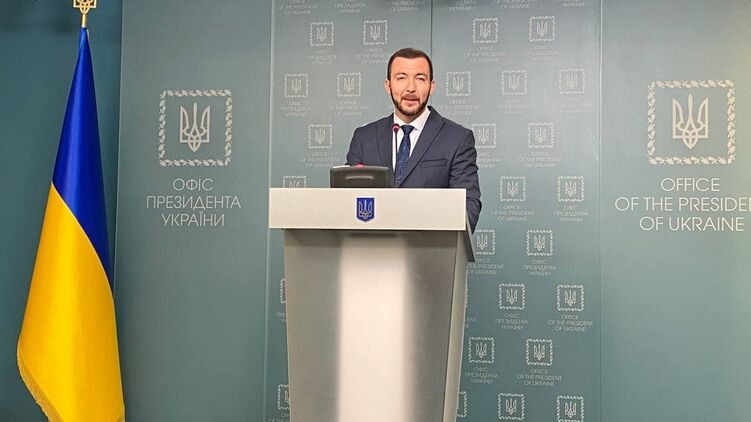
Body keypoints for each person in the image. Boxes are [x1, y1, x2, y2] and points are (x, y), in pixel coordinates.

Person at [346, 47, 481, 231]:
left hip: (431, 247)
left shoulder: (458, 139)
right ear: (388, 85)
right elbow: (346, 204)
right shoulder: (363, 138)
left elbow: (467, 208)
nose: (411, 88)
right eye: (401, 78)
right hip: (373, 246)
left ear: (432, 86)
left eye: (420, 79)